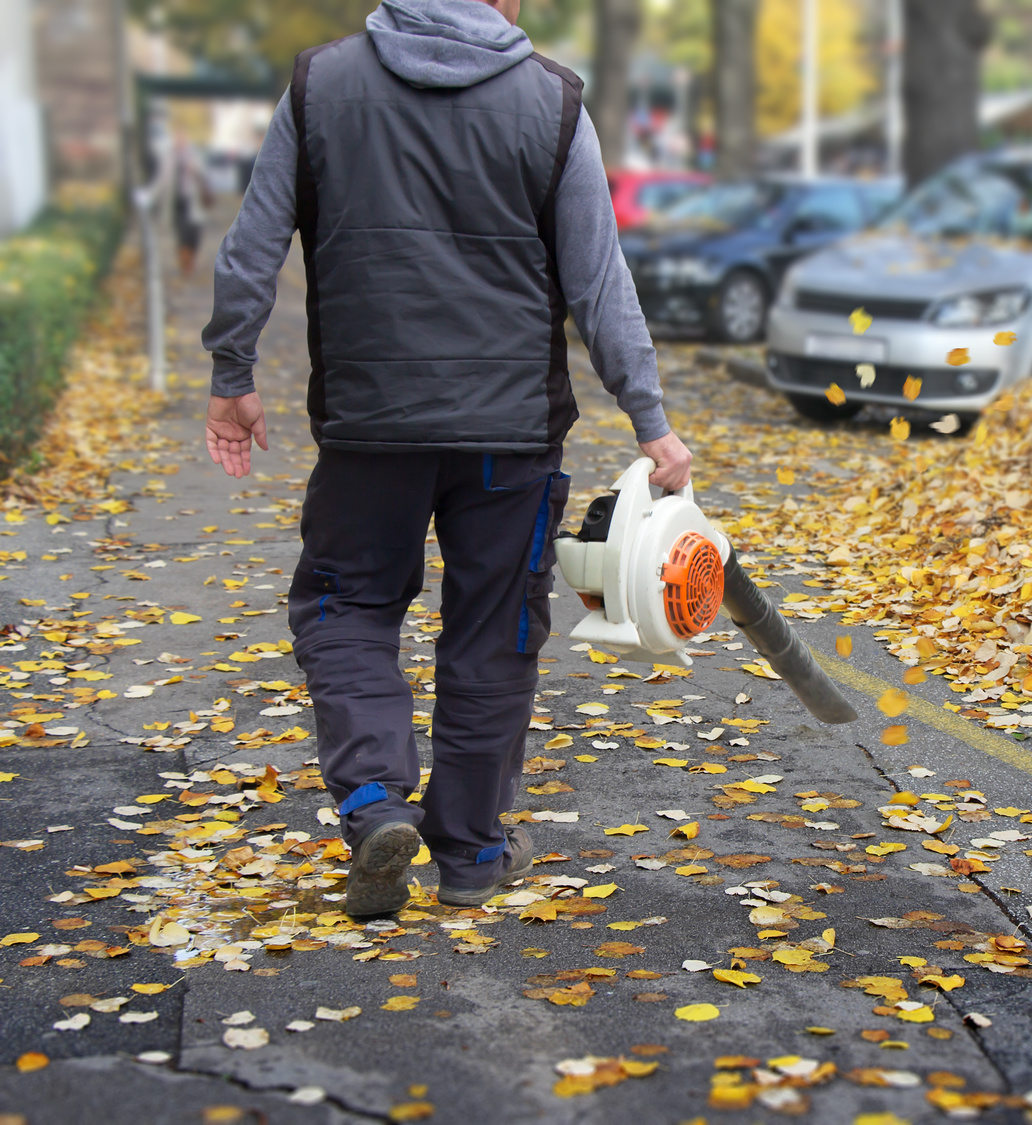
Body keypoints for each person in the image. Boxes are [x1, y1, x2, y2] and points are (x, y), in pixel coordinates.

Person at [200, 0, 692, 917]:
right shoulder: (550, 101)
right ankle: (468, 851)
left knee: (345, 608)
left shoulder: (320, 85)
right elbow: (596, 278)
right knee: (494, 631)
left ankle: (375, 799)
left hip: (367, 427)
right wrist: (649, 418)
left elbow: (253, 245)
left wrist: (234, 369)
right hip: (508, 436)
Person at [172, 136, 210, 276]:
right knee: (182, 233)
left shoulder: (195, 158)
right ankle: (186, 264)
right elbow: (161, 181)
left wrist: (194, 169)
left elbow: (205, 176)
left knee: (194, 234)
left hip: (193, 203)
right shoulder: (170, 160)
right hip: (178, 203)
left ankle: (190, 259)